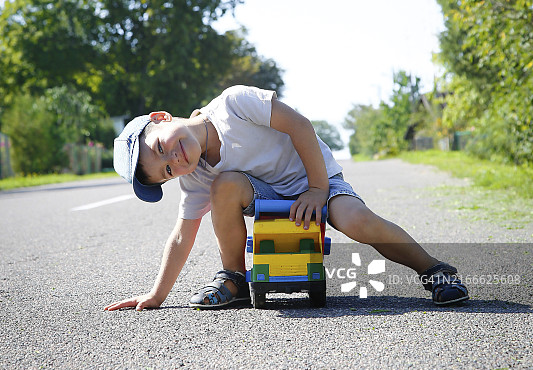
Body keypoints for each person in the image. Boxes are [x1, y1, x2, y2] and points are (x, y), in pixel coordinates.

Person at [105, 85, 468, 311]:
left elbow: (300, 126)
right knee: (225, 184)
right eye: (167, 171)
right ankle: (234, 278)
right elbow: (183, 234)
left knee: (355, 219)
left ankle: (434, 270)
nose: (175, 160)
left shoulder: (234, 104)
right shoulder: (197, 174)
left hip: (316, 179)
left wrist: (317, 189)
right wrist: (156, 295)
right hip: (266, 196)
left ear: (162, 118)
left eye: (161, 147)